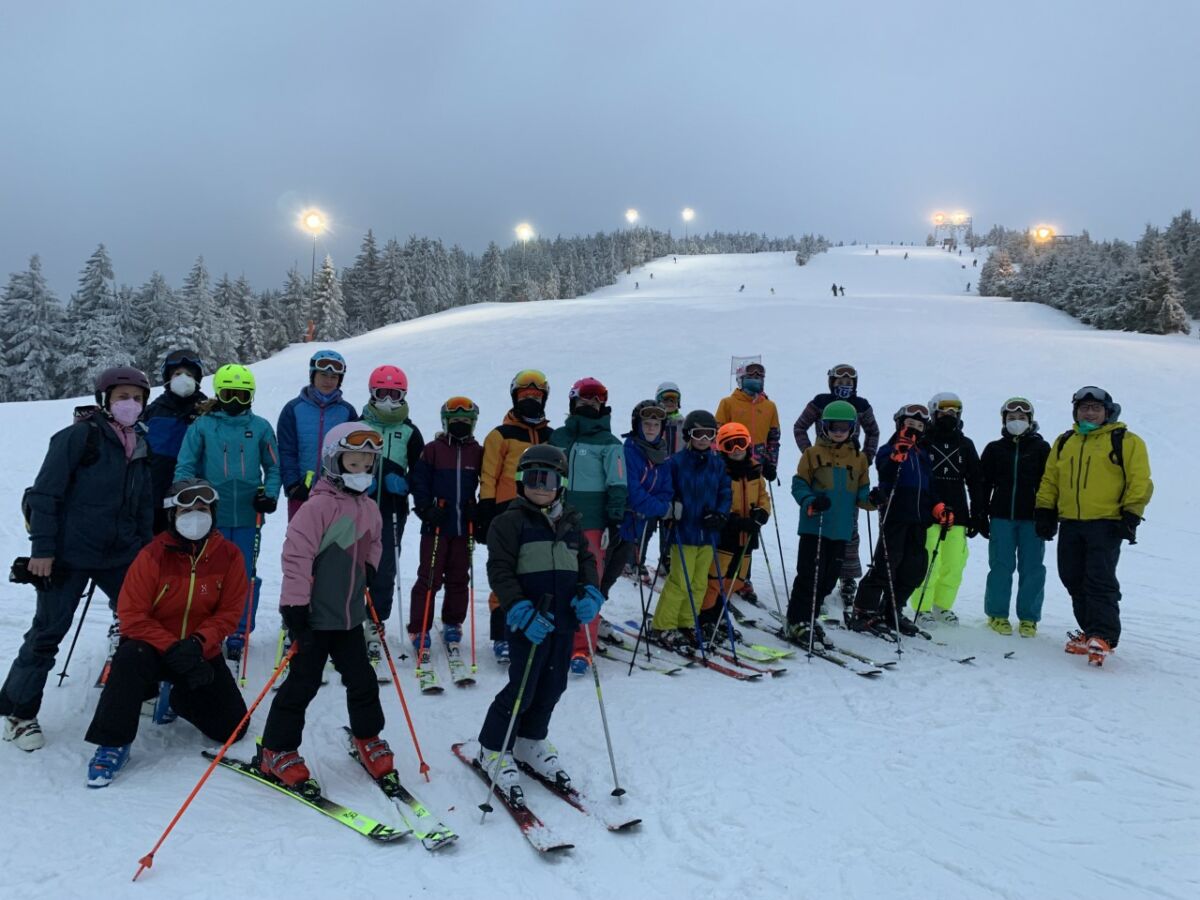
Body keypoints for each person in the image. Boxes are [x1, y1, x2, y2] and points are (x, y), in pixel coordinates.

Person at [1, 367, 154, 751]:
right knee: (47, 633)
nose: (130, 404)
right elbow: (44, 496)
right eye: (122, 396)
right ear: (105, 399)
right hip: (69, 555)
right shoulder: (78, 437)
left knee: (143, 621)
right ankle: (18, 714)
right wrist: (43, 550)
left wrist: (145, 549)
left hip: (120, 554)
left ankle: (140, 687)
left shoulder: (140, 443)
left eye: (137, 398)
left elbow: (141, 505)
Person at [83, 479, 249, 786]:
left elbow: (229, 613)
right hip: (152, 648)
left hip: (198, 650)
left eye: (203, 509)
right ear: (172, 515)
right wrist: (172, 647)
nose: (196, 515)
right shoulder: (151, 555)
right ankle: (112, 742)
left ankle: (180, 699)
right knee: (129, 658)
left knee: (233, 728)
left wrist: (198, 643)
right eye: (187, 509)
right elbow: (131, 615)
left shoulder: (230, 556)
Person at [259, 422, 394, 786]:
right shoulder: (317, 507)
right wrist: (295, 608)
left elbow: (377, 542)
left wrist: (369, 567)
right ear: (334, 463)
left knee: (363, 679)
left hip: (349, 615)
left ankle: (367, 736)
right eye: (354, 463)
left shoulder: (369, 508)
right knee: (303, 683)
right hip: (315, 617)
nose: (362, 470)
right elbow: (296, 557)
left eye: (368, 463)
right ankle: (277, 748)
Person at [474, 445, 602, 806]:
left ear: (561, 484)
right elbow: (499, 571)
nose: (540, 487)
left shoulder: (572, 522)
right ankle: (493, 747)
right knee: (523, 688)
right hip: (529, 620)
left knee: (554, 684)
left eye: (548, 479)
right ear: (520, 482)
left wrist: (589, 591)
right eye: (533, 478)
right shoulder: (508, 522)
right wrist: (519, 610)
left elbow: (587, 561)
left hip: (564, 618)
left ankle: (530, 739)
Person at [1035, 387, 1153, 666]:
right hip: (1071, 523)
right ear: (1076, 412)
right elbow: (1050, 479)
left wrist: (1131, 514)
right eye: (1084, 408)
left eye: (1095, 408)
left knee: (1099, 579)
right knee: (1072, 577)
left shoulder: (1125, 440)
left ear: (1107, 412)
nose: (1089, 412)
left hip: (1106, 523)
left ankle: (1103, 635)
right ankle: (1089, 631)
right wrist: (1044, 510)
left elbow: (1140, 480)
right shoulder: (1065, 441)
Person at [174, 364, 281, 659]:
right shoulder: (203, 426)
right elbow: (185, 465)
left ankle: (238, 629)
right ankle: (206, 626)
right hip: (211, 514)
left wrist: (269, 495)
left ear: (251, 397)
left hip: (249, 514)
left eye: (242, 396)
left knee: (244, 573)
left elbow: (273, 467)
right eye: (229, 395)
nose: (235, 401)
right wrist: (188, 500)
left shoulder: (259, 427)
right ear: (219, 394)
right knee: (207, 571)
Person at [848, 404, 952, 638]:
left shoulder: (923, 455)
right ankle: (863, 610)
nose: (914, 431)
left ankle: (892, 609)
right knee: (887, 564)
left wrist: (938, 508)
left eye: (919, 427)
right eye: (909, 426)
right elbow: (885, 472)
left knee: (914, 569)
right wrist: (897, 456)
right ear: (899, 426)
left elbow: (930, 487)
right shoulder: (889, 449)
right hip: (895, 515)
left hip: (919, 519)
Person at [549, 378, 627, 675]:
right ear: (573, 402)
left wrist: (614, 519)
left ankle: (582, 646)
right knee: (555, 578)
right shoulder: (558, 437)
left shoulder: (609, 444)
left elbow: (617, 483)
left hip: (591, 523)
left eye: (597, 400)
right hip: (556, 520)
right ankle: (557, 637)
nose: (591, 404)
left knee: (588, 582)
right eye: (585, 399)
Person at [477, 370, 553, 661]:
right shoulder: (501, 434)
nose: (531, 401)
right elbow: (488, 474)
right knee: (506, 570)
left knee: (536, 570)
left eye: (536, 396)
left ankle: (536, 624)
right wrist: (487, 510)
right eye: (525, 396)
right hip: (506, 512)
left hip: (544, 511)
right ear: (514, 398)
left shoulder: (550, 435)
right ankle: (503, 633)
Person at [793, 363, 880, 605]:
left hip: (851, 465)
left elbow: (873, 431)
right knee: (822, 520)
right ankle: (815, 577)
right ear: (831, 383)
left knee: (849, 525)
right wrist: (810, 454)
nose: (844, 386)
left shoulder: (861, 405)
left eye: (849, 383)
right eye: (839, 382)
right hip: (823, 465)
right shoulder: (820, 401)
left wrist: (867, 457)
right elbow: (800, 426)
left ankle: (847, 576)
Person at [786, 402, 872, 646]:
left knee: (828, 579)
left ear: (852, 429)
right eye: (833, 426)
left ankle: (809, 620)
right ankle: (796, 620)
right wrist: (810, 500)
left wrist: (873, 499)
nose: (838, 431)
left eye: (844, 427)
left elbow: (862, 493)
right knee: (809, 576)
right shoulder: (812, 455)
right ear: (824, 427)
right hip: (816, 526)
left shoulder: (859, 459)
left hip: (841, 529)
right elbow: (799, 484)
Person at [408, 397, 483, 660]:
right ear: (446, 422)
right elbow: (419, 482)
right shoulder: (433, 450)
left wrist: (480, 508)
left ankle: (453, 622)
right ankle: (419, 627)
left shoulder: (478, 451)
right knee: (429, 576)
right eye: (455, 421)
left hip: (464, 526)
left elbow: (487, 482)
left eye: (465, 421)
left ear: (473, 424)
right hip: (436, 525)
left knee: (459, 577)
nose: (460, 425)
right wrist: (426, 509)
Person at [649, 410, 731, 648]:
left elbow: (725, 492)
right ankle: (663, 625)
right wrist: (671, 509)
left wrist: (720, 514)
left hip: (708, 534)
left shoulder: (717, 464)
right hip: (683, 531)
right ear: (688, 435)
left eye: (709, 434)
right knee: (680, 581)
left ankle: (686, 623)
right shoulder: (676, 462)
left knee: (698, 583)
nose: (704, 439)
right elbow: (666, 490)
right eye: (698, 434)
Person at [360, 365, 424, 662]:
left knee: (384, 567)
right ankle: (351, 618)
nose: (387, 400)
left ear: (403, 396)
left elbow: (422, 472)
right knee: (353, 564)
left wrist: (406, 483)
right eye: (381, 393)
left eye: (394, 394)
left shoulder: (409, 432)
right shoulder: (358, 425)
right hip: (358, 507)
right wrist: (360, 481)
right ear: (372, 394)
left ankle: (375, 620)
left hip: (392, 510)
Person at [908, 392, 982, 626]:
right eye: (944, 411)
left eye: (954, 411)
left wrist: (978, 513)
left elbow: (976, 480)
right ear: (934, 412)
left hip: (958, 513)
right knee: (929, 560)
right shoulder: (924, 441)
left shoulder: (965, 444)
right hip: (928, 513)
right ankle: (922, 607)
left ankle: (943, 606)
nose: (949, 415)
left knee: (954, 564)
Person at [979, 398, 1050, 636]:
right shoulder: (994, 449)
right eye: (1011, 419)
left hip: (1032, 519)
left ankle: (1029, 618)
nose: (1016, 422)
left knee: (1032, 568)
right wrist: (979, 512)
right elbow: (983, 483)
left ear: (1030, 421)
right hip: (1001, 516)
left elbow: (1051, 484)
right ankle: (997, 615)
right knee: (1001, 566)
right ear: (1004, 421)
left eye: (1021, 418)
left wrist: (1049, 514)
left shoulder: (1041, 449)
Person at [715, 361, 781, 602]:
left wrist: (771, 463)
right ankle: (720, 574)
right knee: (732, 516)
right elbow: (718, 432)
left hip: (755, 466)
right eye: (750, 375)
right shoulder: (729, 403)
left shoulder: (769, 405)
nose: (755, 379)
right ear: (740, 379)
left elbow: (774, 436)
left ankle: (744, 577)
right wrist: (718, 461)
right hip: (731, 462)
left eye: (759, 375)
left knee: (752, 517)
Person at [700, 423, 770, 640]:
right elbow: (714, 499)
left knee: (736, 579)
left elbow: (763, 497)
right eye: (730, 445)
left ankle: (720, 615)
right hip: (726, 533)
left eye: (741, 443)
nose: (737, 449)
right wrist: (734, 519)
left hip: (748, 535)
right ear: (721, 448)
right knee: (715, 579)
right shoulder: (720, 471)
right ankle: (704, 618)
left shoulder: (755, 470)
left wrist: (762, 513)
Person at [277, 349, 357, 520]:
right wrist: (292, 485)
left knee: (334, 545)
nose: (328, 381)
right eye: (323, 375)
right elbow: (286, 452)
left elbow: (354, 454)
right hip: (302, 492)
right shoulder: (293, 409)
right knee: (301, 543)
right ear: (313, 375)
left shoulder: (347, 412)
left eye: (334, 377)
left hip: (337, 494)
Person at [144, 349, 208, 532]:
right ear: (168, 378)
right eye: (177, 374)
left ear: (197, 379)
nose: (183, 378)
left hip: (196, 497)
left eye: (189, 374)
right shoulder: (153, 411)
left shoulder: (208, 411)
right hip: (156, 498)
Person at [617, 400, 674, 590]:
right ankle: (628, 563)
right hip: (627, 517)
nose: (651, 429)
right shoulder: (629, 451)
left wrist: (659, 505)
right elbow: (633, 492)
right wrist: (661, 507)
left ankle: (636, 562)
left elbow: (666, 489)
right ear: (637, 425)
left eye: (656, 425)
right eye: (647, 424)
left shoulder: (662, 453)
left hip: (647, 515)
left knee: (645, 537)